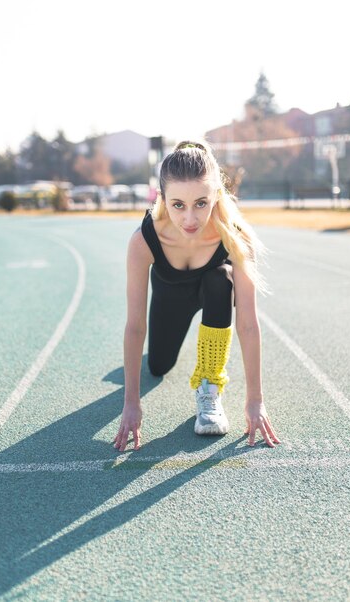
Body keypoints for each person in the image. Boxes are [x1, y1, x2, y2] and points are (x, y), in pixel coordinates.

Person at [113, 140, 281, 452]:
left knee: (220, 278)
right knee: (159, 367)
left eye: (201, 203)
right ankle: (157, 357)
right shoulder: (144, 240)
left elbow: (247, 323)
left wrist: (255, 401)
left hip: (212, 294)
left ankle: (209, 389)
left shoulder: (236, 236)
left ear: (216, 195)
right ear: (162, 198)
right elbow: (135, 326)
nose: (190, 219)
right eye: (178, 205)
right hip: (169, 300)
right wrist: (131, 403)